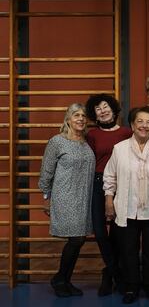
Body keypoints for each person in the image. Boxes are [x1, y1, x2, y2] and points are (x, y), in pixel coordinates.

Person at [103, 106, 149, 304]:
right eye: (139, 122)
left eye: (148, 122)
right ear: (133, 124)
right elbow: (110, 176)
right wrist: (109, 200)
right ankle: (131, 287)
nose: (144, 126)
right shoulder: (119, 149)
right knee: (128, 250)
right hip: (127, 208)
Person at [39, 103, 95, 297]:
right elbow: (47, 171)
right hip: (65, 195)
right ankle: (60, 278)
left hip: (83, 196)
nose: (80, 118)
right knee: (76, 238)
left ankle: (65, 280)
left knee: (78, 239)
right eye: (76, 115)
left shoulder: (86, 142)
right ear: (68, 119)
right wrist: (46, 197)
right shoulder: (57, 141)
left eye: (83, 116)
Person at [85, 94, 132, 296]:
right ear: (94, 114)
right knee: (100, 232)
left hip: (122, 185)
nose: (103, 110)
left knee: (118, 232)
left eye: (106, 106)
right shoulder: (92, 135)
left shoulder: (127, 133)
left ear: (113, 109)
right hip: (97, 183)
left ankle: (108, 275)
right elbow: (88, 162)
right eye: (98, 108)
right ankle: (115, 274)